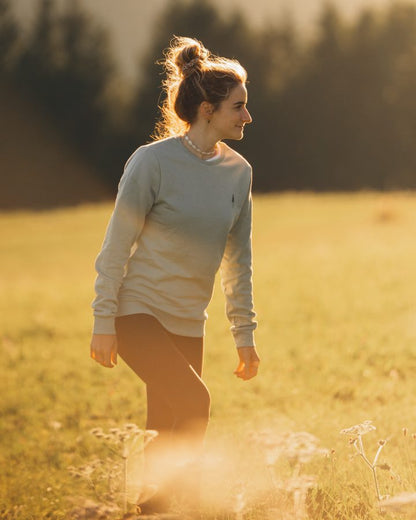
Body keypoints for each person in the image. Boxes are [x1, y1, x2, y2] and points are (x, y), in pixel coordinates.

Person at [90, 36, 260, 515]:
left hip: (190, 320)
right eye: (239, 107)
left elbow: (238, 260)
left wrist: (244, 335)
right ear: (208, 109)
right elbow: (116, 246)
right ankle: (182, 501)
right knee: (196, 404)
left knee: (164, 428)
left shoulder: (238, 172)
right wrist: (104, 320)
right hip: (137, 312)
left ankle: (153, 508)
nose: (247, 117)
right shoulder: (152, 162)